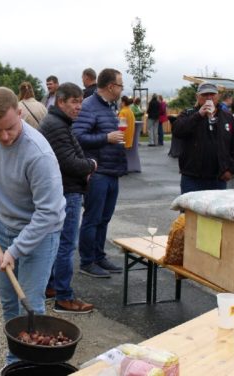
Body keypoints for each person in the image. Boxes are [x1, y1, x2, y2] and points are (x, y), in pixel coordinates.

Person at [0, 87, 65, 366]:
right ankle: (16, 363)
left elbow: (48, 213)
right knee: (9, 302)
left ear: (20, 113)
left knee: (30, 304)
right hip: (4, 226)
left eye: (10, 128)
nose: (4, 137)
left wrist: (15, 250)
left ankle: (29, 366)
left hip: (41, 233)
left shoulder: (39, 155)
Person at [39, 83, 96, 314]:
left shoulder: (58, 123)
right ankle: (64, 297)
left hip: (64, 188)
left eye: (80, 101)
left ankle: (52, 286)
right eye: (74, 101)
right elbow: (69, 163)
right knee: (66, 244)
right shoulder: (57, 126)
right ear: (60, 102)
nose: (79, 107)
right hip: (67, 190)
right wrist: (91, 164)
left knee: (58, 243)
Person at [72, 68, 127, 278]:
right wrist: (106, 138)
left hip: (112, 170)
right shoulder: (89, 106)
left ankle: (98, 255)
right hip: (98, 171)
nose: (122, 88)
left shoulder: (109, 106)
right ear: (111, 86)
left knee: (104, 218)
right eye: (120, 85)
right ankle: (87, 261)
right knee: (93, 218)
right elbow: (77, 136)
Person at [172, 82, 234, 193]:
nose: (209, 97)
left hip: (218, 178)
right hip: (192, 178)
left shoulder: (227, 117)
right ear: (197, 97)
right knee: (190, 210)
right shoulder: (188, 114)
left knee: (216, 210)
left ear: (218, 96)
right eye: (205, 95)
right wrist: (199, 115)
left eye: (212, 94)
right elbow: (177, 131)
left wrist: (231, 170)